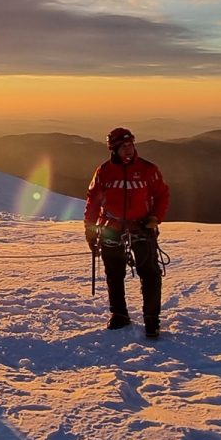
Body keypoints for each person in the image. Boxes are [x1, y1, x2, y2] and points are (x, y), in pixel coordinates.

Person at [84, 127, 171, 338]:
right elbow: (93, 199)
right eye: (123, 146)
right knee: (114, 273)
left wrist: (154, 218)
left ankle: (152, 319)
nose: (129, 150)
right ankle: (119, 314)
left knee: (149, 272)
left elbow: (162, 194)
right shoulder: (104, 171)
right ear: (113, 149)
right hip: (111, 227)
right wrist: (90, 227)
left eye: (130, 145)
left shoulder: (148, 170)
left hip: (141, 227)